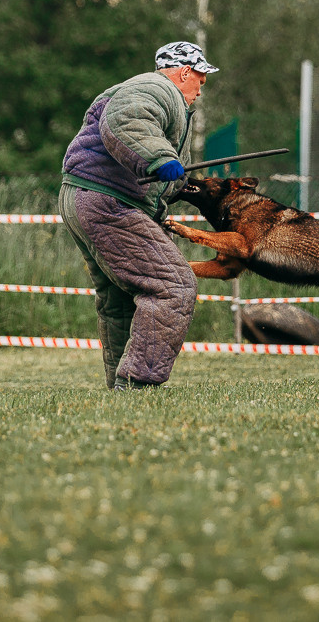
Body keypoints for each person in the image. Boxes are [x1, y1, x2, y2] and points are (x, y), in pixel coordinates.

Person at [59, 41, 219, 390]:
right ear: (184, 72)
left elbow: (167, 176)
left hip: (84, 196)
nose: (200, 91)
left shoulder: (158, 98)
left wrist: (191, 190)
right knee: (173, 287)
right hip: (108, 201)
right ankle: (138, 383)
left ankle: (122, 387)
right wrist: (159, 157)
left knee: (119, 300)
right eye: (200, 81)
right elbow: (125, 120)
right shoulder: (156, 88)